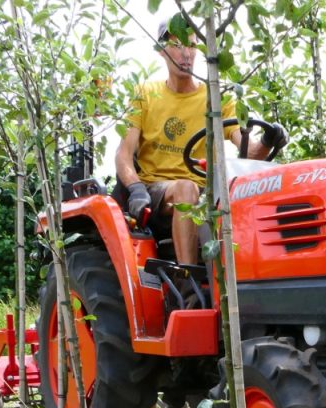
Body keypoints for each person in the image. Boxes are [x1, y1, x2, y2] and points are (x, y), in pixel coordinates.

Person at [115, 17, 287, 265]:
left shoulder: (217, 98)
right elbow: (124, 154)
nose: (185, 53)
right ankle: (187, 282)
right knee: (186, 188)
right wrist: (135, 188)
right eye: (177, 45)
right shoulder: (147, 94)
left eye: (192, 45)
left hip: (209, 194)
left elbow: (249, 153)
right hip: (157, 191)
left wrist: (269, 141)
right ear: (162, 50)